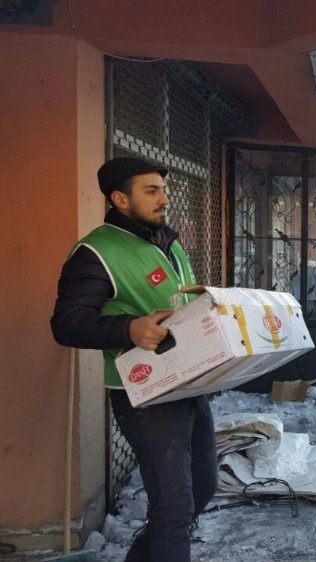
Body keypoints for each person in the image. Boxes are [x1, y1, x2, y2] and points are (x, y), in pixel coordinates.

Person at [51, 157, 216, 562]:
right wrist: (129, 329)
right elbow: (67, 324)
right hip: (144, 392)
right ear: (120, 199)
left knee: (203, 486)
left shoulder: (169, 242)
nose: (164, 199)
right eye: (151, 190)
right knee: (174, 508)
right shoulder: (96, 251)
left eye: (164, 190)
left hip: (189, 380)